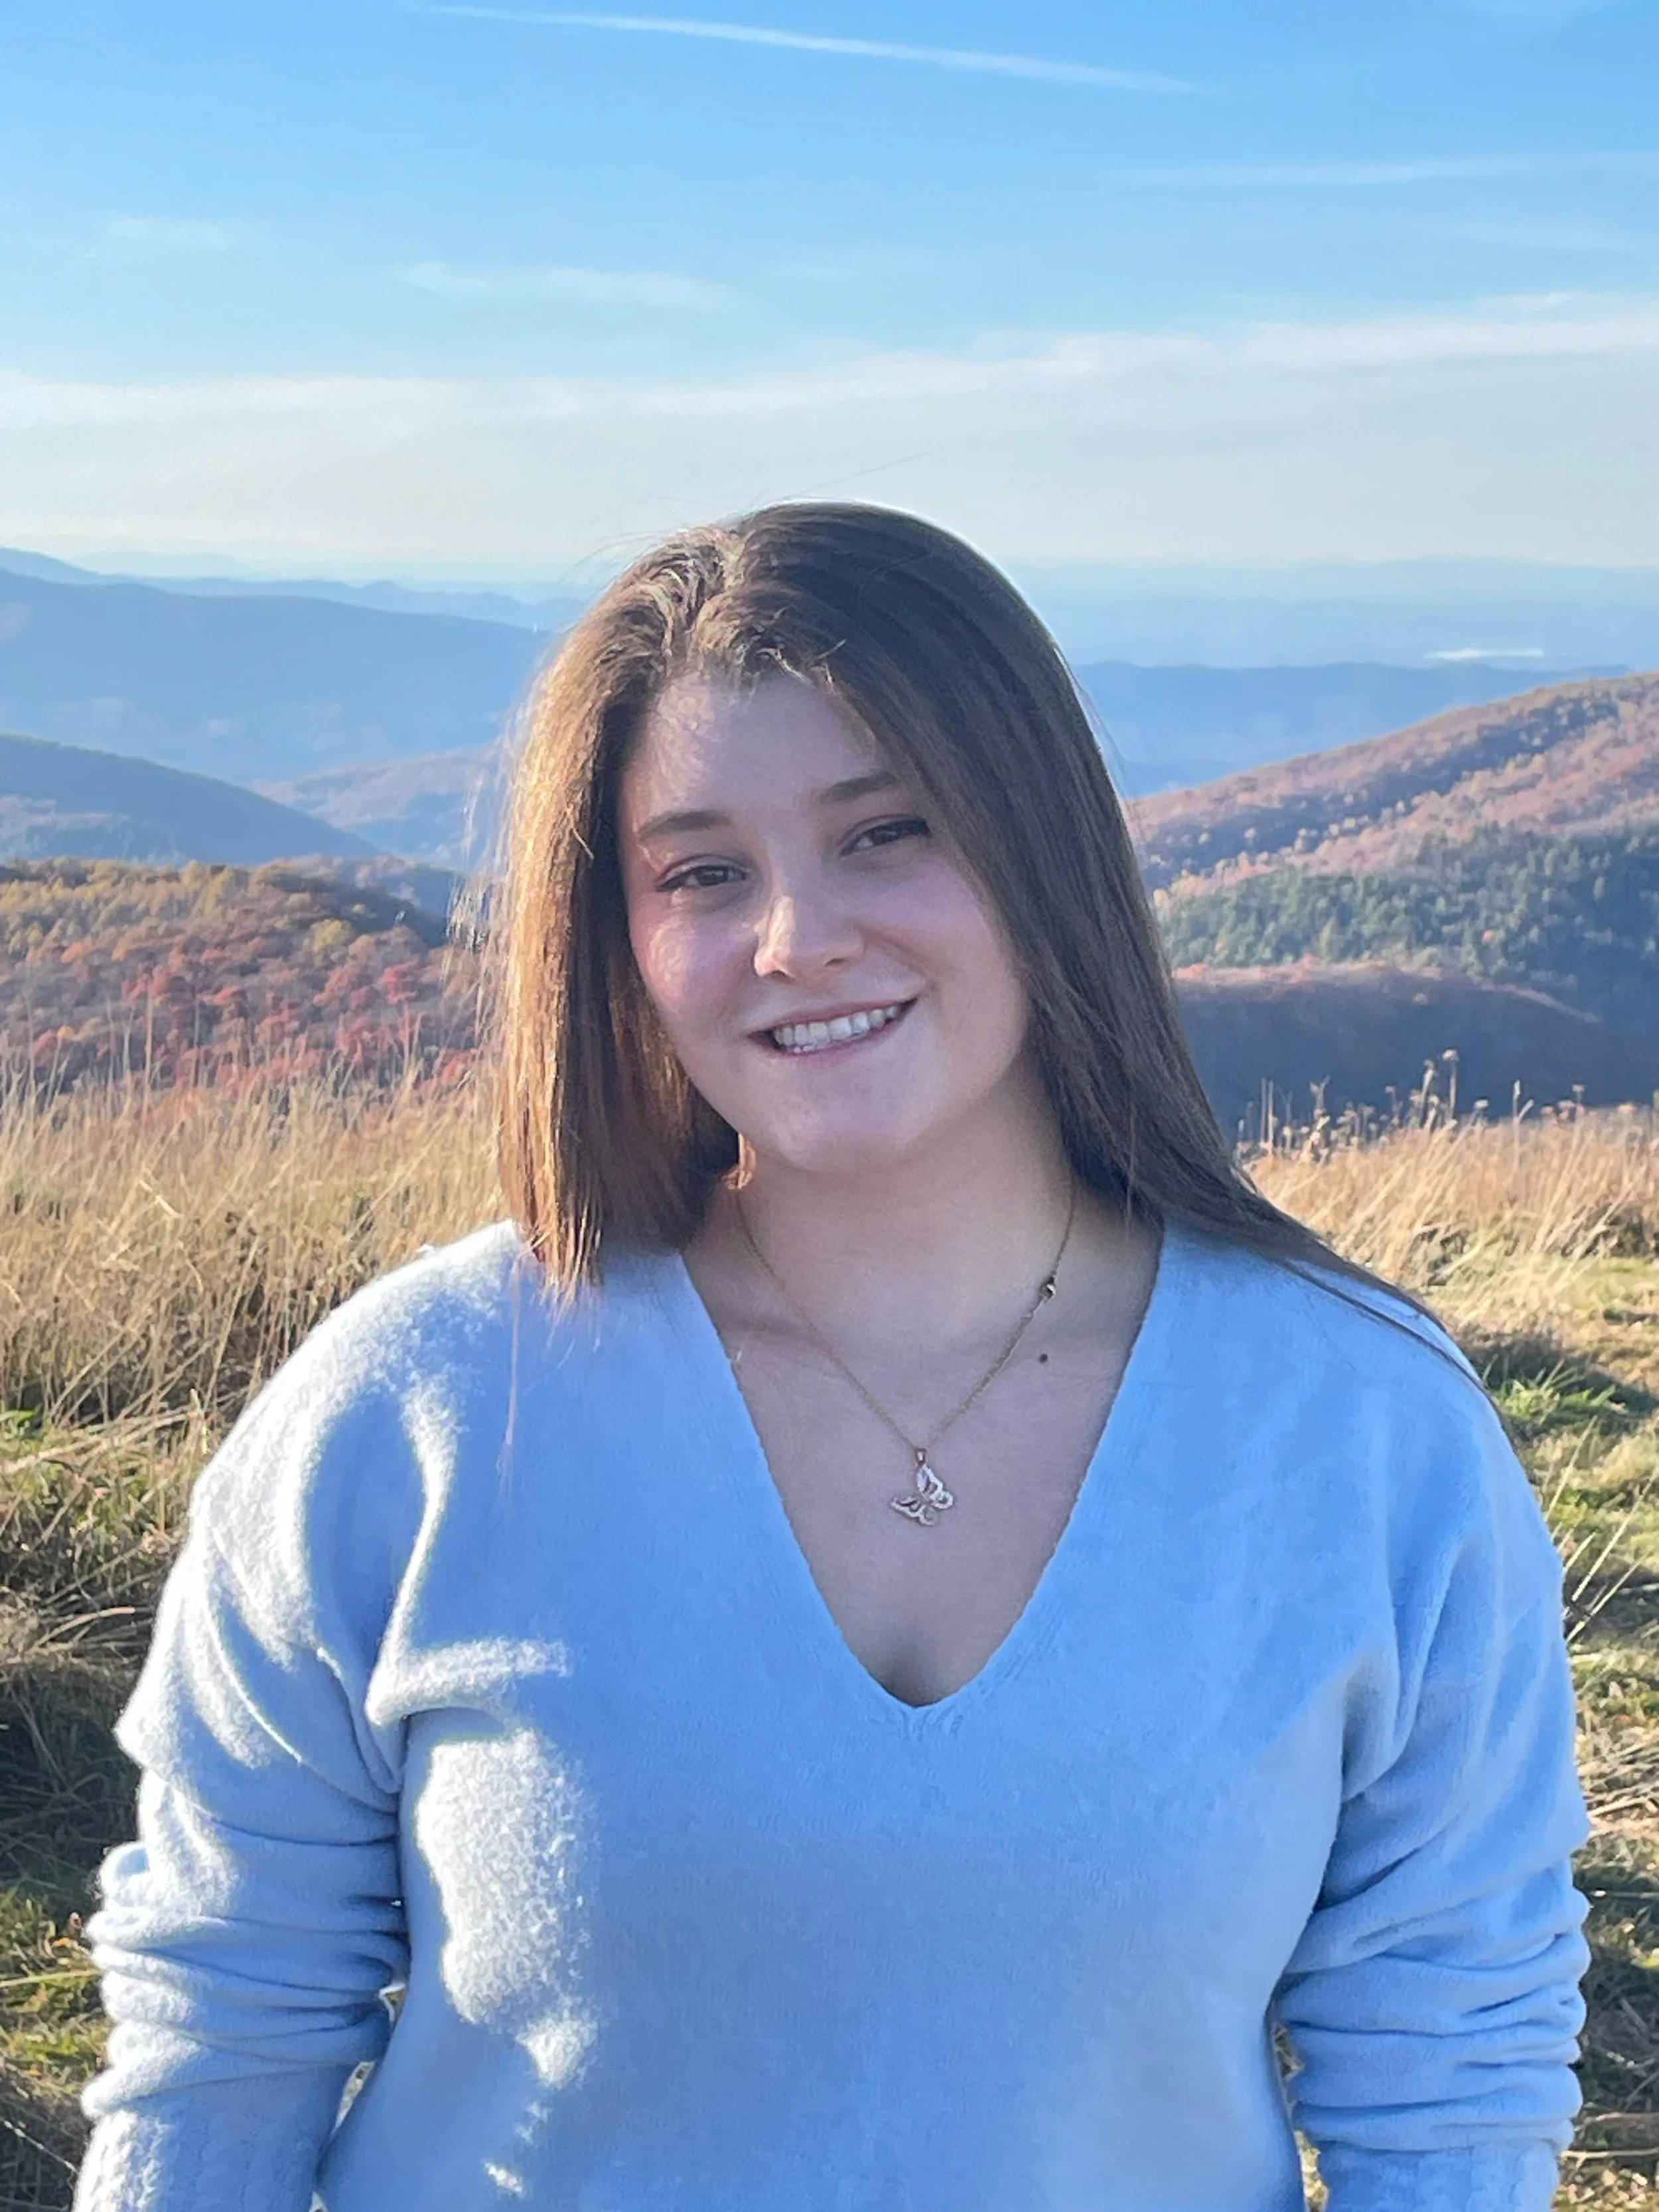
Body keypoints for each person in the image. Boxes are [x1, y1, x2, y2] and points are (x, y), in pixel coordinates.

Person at [76, 504, 1588, 2212]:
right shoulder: (414, 1414)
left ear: (1046, 855)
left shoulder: (1362, 1429)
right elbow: (225, 2029)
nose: (796, 935)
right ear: (621, 940)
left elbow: (1449, 2059)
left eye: (886, 833)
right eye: (702, 872)